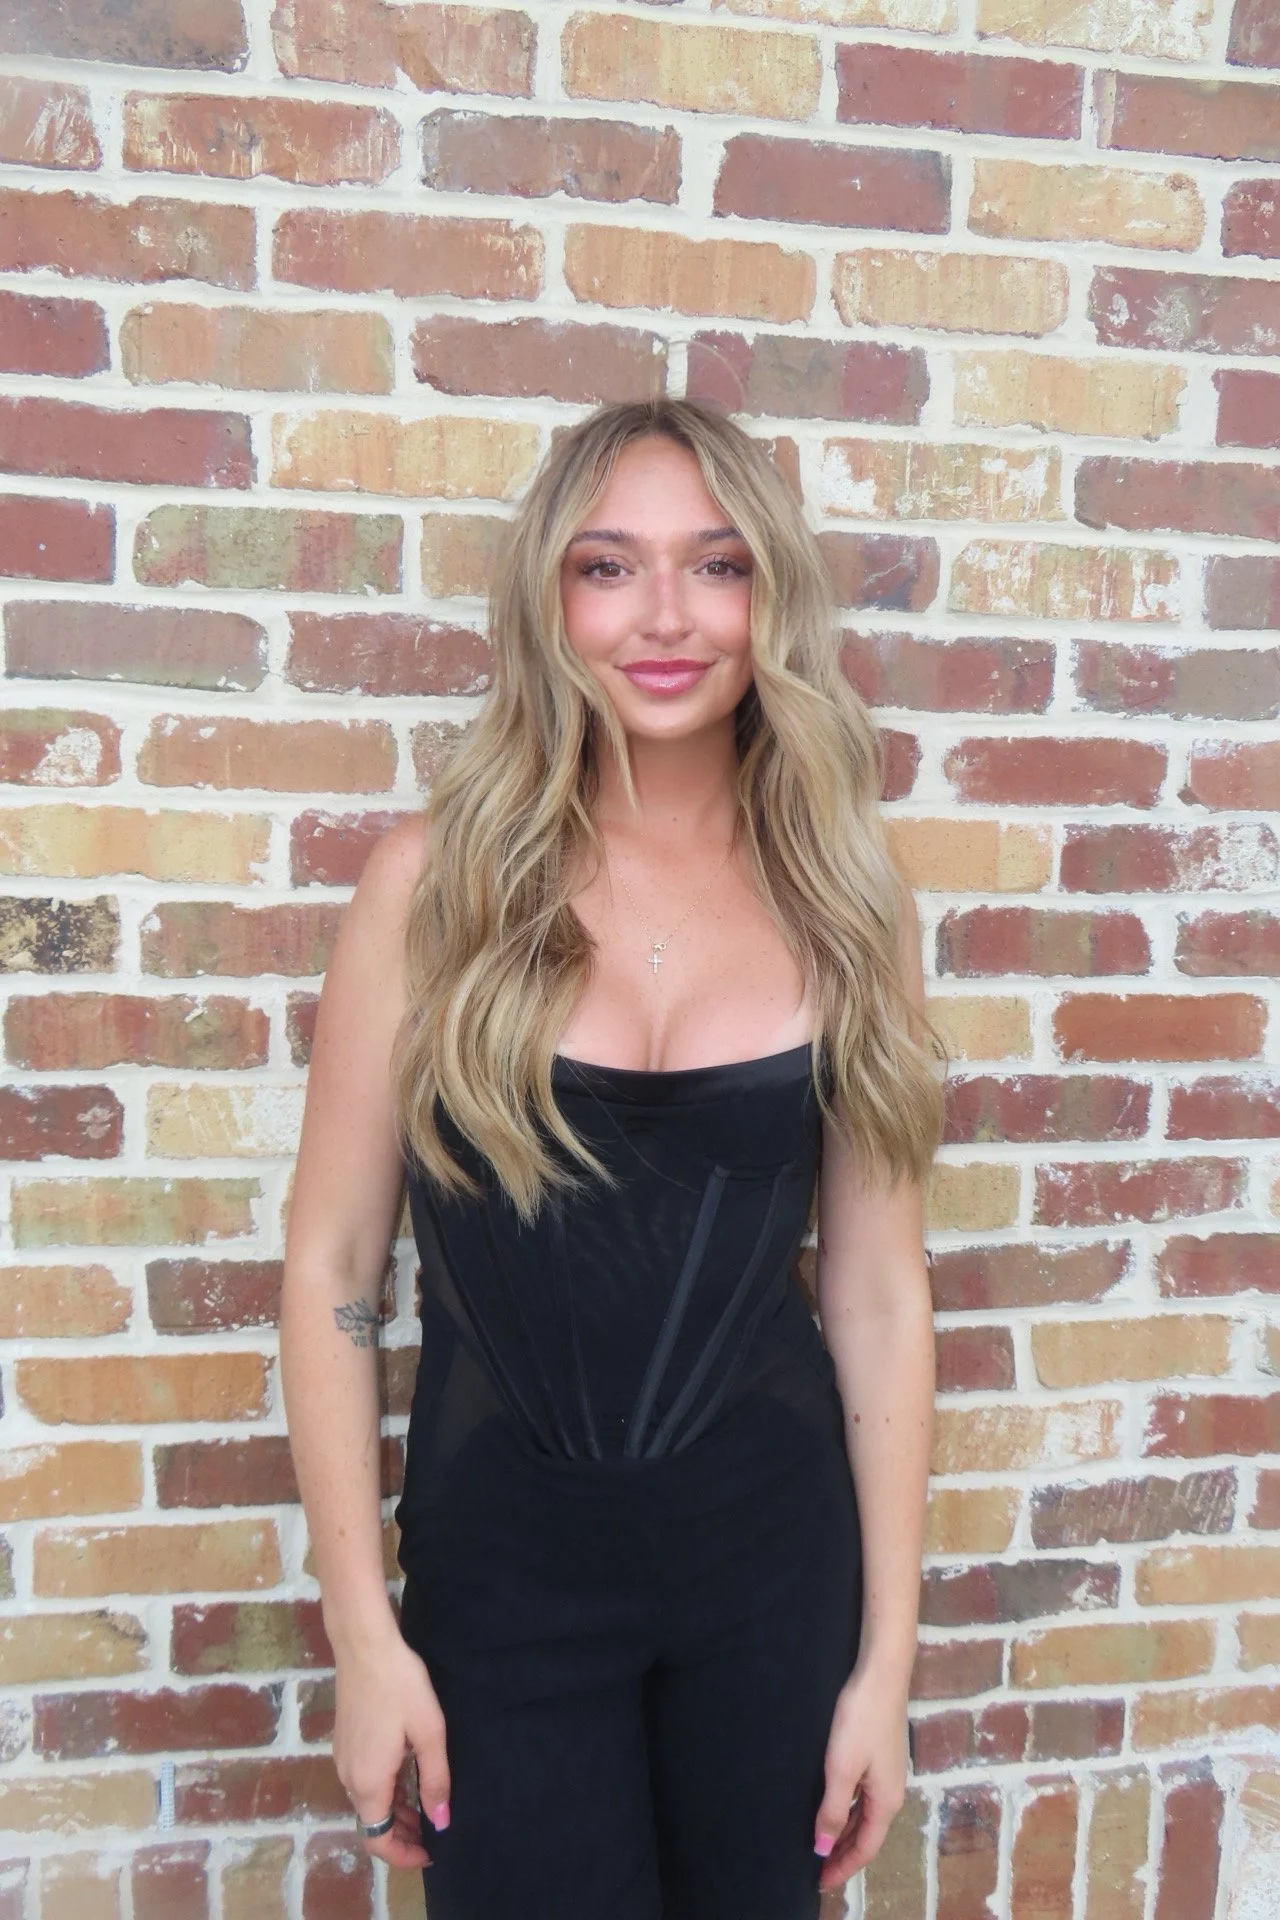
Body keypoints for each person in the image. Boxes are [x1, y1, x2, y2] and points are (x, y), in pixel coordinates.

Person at [281, 397, 944, 1919]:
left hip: (772, 1577)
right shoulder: (431, 890)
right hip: (501, 1585)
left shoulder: (848, 902)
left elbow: (878, 1293)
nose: (664, 617)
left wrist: (885, 1666)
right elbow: (331, 1269)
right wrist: (365, 1640)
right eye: (608, 567)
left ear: (770, 600)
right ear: (549, 600)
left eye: (716, 566)